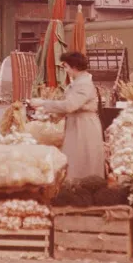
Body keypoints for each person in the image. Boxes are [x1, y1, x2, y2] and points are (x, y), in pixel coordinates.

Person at [30, 52, 105, 180]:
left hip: (84, 126)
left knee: (83, 160)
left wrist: (43, 103)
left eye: (66, 66)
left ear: (74, 67)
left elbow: (70, 105)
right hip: (77, 124)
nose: (65, 70)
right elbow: (68, 106)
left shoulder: (84, 84)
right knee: (75, 159)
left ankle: (84, 189)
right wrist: (52, 115)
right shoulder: (78, 83)